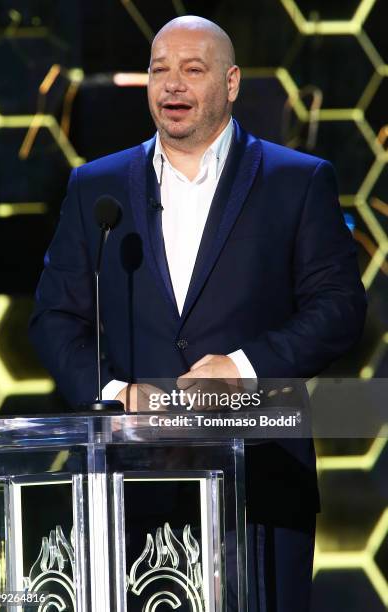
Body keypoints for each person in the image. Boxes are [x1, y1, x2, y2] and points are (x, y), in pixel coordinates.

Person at [29, 15, 367, 611]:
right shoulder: (95, 188)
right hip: (133, 485)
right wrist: (114, 391)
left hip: (262, 483)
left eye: (192, 70)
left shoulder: (298, 181)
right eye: (160, 71)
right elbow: (55, 317)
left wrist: (243, 367)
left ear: (231, 83)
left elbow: (339, 307)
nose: (172, 86)